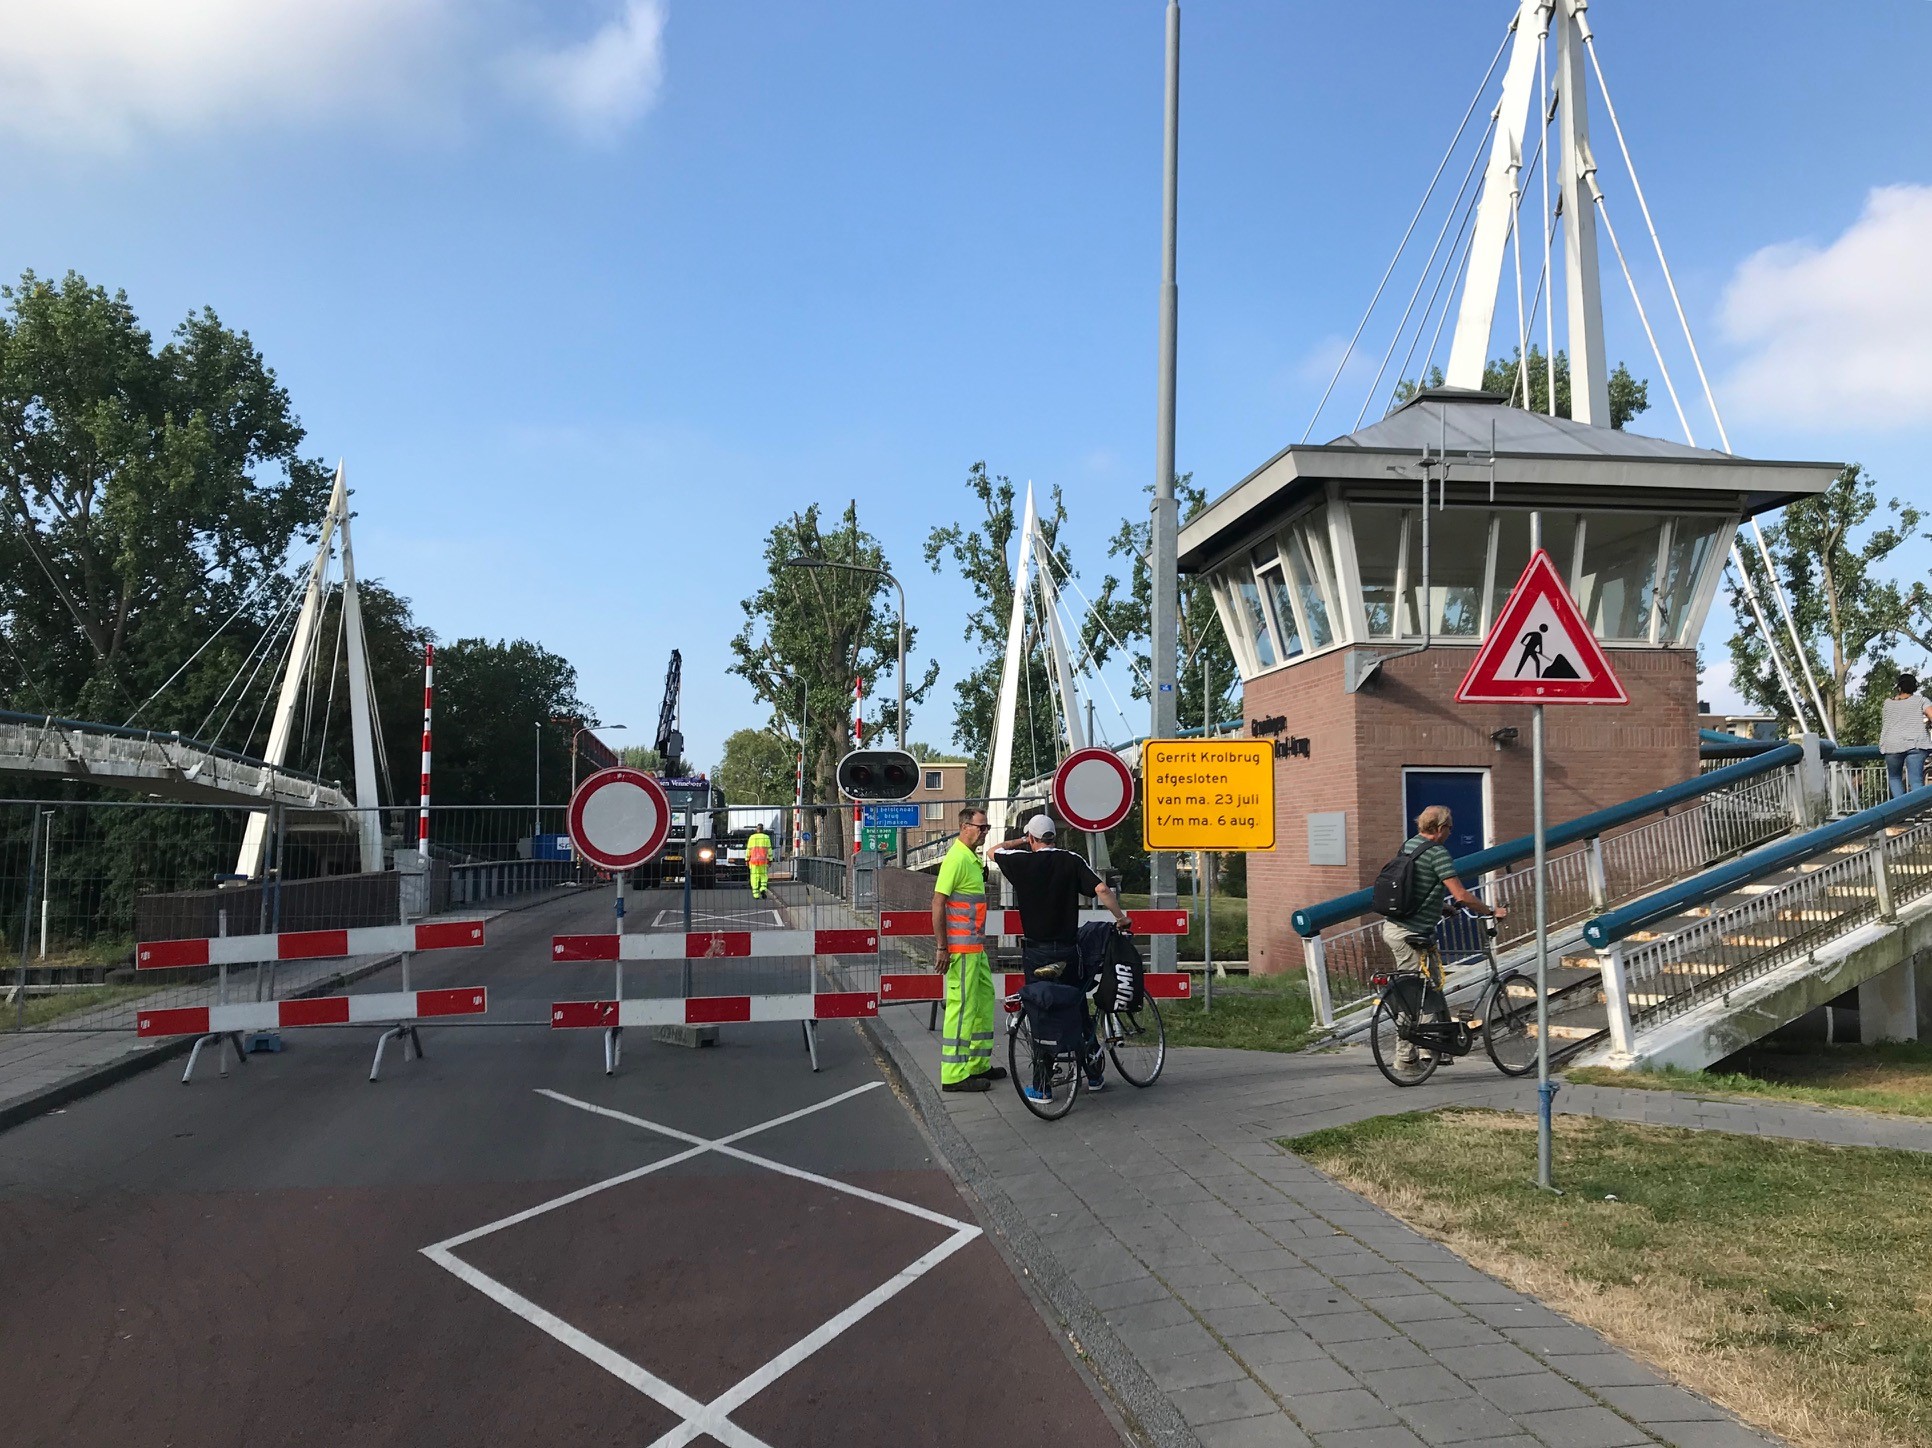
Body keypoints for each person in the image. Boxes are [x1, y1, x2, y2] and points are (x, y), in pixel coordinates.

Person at [991, 813, 1132, 1094]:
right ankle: (1093, 1075)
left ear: (1032, 839)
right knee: (1076, 1005)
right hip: (1068, 950)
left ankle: (1042, 1087)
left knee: (1041, 1010)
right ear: (1053, 837)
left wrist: (1022, 840)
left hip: (1035, 951)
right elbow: (1102, 888)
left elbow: (992, 851)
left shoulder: (1020, 861)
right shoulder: (1071, 860)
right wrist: (1120, 917)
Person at [1380, 804, 1507, 1065]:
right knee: (1414, 994)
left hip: (1397, 927)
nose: (1450, 832)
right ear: (1439, 829)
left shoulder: (1410, 845)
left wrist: (1442, 907)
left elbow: (1414, 887)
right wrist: (1491, 910)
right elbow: (1462, 894)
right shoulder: (1438, 853)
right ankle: (1405, 1058)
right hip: (1409, 933)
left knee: (1432, 985)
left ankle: (1433, 1048)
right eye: (1449, 828)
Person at [931, 806, 1004, 1092]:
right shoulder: (957, 859)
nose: (984, 831)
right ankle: (954, 1074)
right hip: (961, 951)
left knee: (982, 1002)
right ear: (964, 827)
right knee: (961, 1009)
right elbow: (938, 902)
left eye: (986, 827)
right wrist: (942, 948)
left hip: (975, 950)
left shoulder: (970, 859)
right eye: (981, 827)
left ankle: (976, 1065)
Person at [1880, 671, 1932, 800]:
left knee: (1894, 777)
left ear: (1899, 687)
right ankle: (1918, 810)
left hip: (1892, 744)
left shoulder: (1888, 703)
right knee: (1916, 780)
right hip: (1916, 743)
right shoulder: (1921, 700)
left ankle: (1900, 814)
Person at [745, 825, 773, 900]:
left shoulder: (752, 837)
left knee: (754, 877)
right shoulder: (766, 837)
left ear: (756, 829)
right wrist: (770, 859)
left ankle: (755, 894)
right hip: (763, 860)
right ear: (762, 829)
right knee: (763, 875)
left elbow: (748, 849)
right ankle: (763, 888)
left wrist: (747, 859)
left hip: (753, 861)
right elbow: (769, 849)